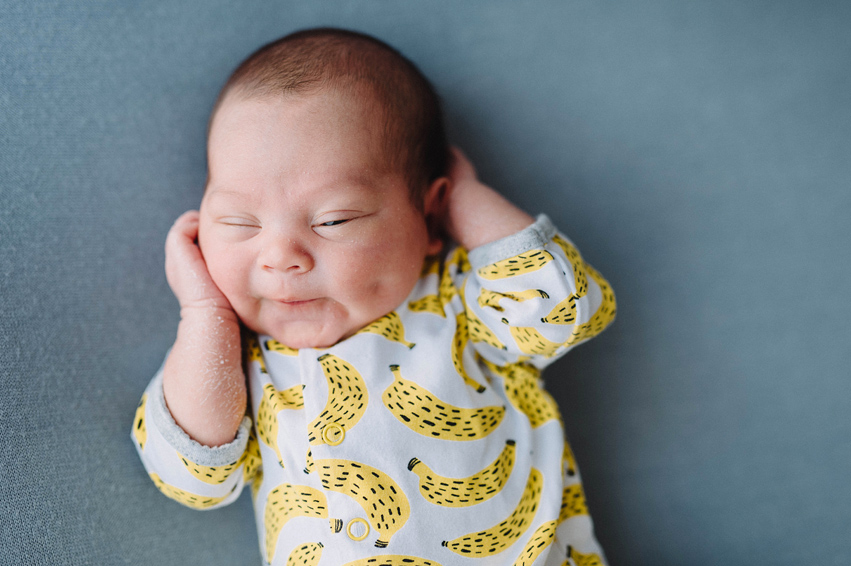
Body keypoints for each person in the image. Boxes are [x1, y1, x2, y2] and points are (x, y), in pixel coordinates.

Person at [131, 27, 616, 566]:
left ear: (428, 216)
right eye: (238, 222)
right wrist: (204, 316)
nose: (280, 256)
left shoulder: (459, 304)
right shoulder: (241, 363)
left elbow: (565, 311)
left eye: (333, 219)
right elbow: (194, 478)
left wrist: (467, 199)